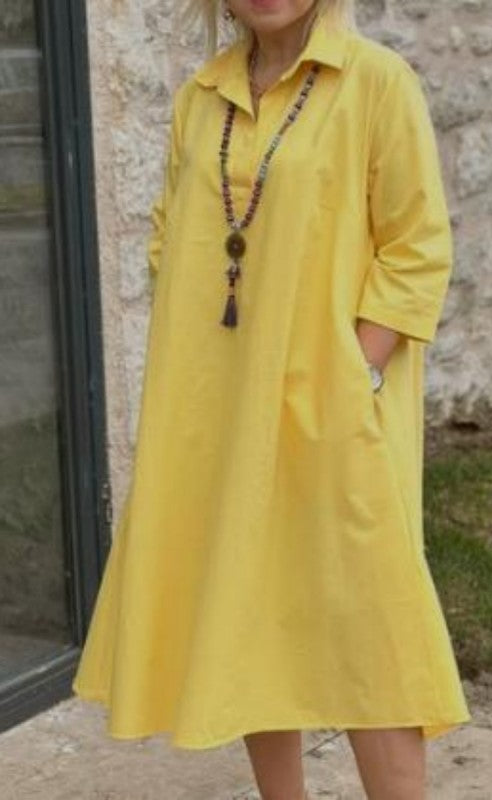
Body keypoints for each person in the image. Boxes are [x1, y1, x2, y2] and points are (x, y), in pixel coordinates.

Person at [70, 1, 471, 797]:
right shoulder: (200, 99)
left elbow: (416, 249)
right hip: (221, 411)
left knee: (376, 631)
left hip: (338, 412)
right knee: (249, 608)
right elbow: (169, 236)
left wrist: (356, 374)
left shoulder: (377, 84)